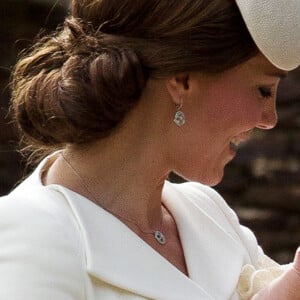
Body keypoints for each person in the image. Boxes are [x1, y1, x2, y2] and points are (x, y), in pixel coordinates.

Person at [0, 0, 299, 299]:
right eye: (262, 90)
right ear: (183, 79)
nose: (269, 120)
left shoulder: (207, 212)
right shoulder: (29, 236)